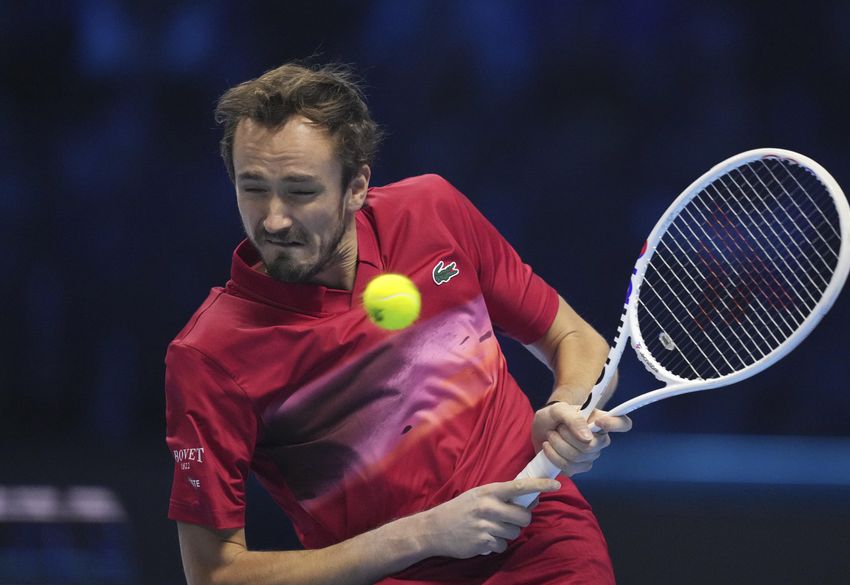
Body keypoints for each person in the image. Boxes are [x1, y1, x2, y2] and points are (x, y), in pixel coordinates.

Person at [165, 62, 632, 585]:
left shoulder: (433, 213)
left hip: (545, 544)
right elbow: (213, 575)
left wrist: (563, 406)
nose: (273, 219)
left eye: (300, 192)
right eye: (253, 188)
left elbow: (575, 337)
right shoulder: (210, 355)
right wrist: (424, 534)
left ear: (357, 185)